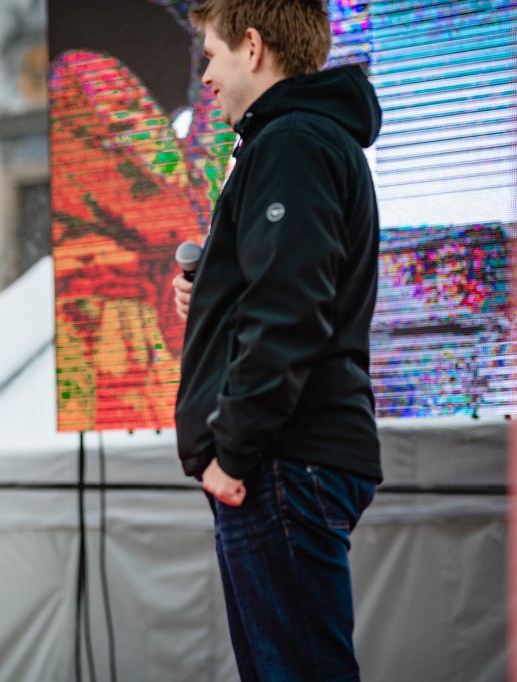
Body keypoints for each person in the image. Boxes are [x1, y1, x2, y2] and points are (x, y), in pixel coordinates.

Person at [172, 1, 383, 680]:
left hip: (281, 459)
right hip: (284, 457)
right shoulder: (293, 140)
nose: (204, 75)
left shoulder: (293, 141)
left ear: (253, 47)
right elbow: (282, 289)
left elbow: (289, 307)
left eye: (210, 54)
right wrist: (209, 294)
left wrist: (231, 453)